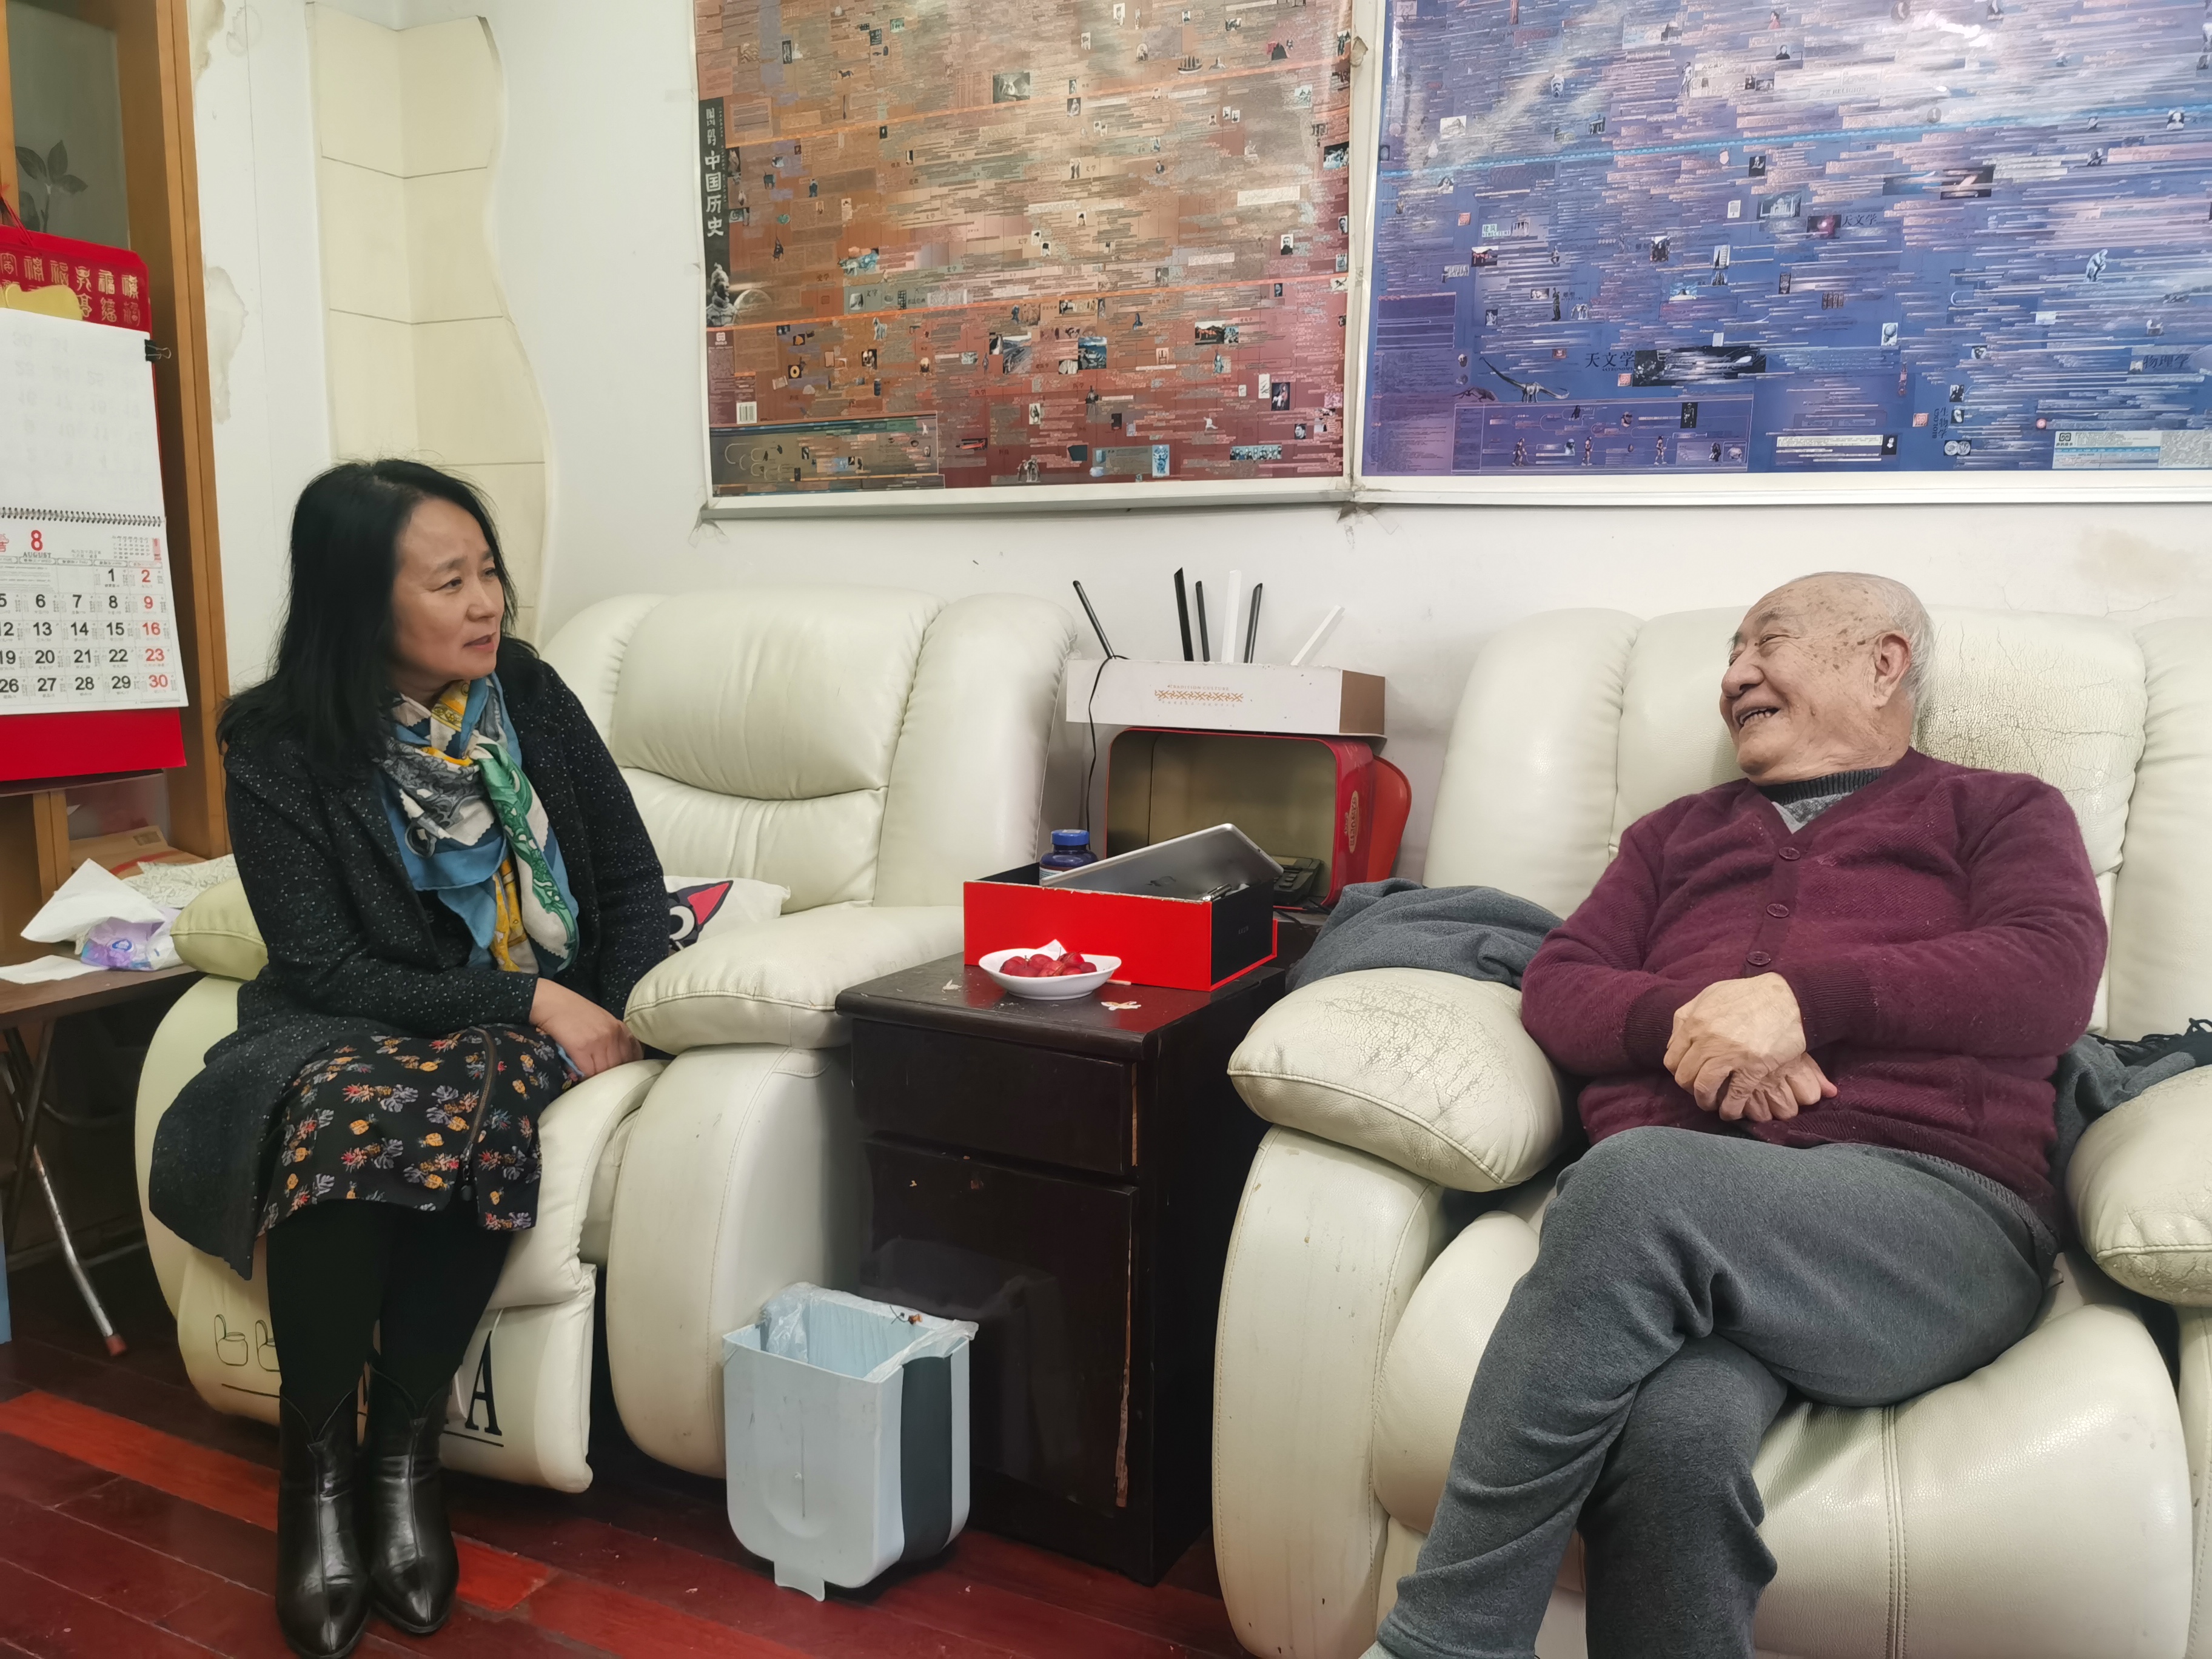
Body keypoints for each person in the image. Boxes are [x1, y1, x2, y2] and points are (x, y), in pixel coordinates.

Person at [1370, 573, 2105, 1659]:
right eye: (1729, 653)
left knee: (1634, 1183)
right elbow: (1561, 986)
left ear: (1884, 663)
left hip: (1926, 1223)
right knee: (1673, 1439)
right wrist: (1700, 1024)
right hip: (1692, 1237)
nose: (1734, 675)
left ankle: (1446, 1640)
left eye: (1769, 642)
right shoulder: (1673, 836)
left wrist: (1805, 1004)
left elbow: (2051, 971)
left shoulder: (2000, 809)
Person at [149, 461, 671, 1659]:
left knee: (466, 1090)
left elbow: (630, 881)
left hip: (516, 1027)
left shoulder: (525, 693)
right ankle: (317, 1474)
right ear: (358, 599)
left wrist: (607, 1005)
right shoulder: (277, 745)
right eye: (450, 581)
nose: (487, 602)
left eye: (489, 572)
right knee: (354, 1103)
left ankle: (399, 1461)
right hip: (353, 1014)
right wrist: (526, 994)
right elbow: (327, 967)